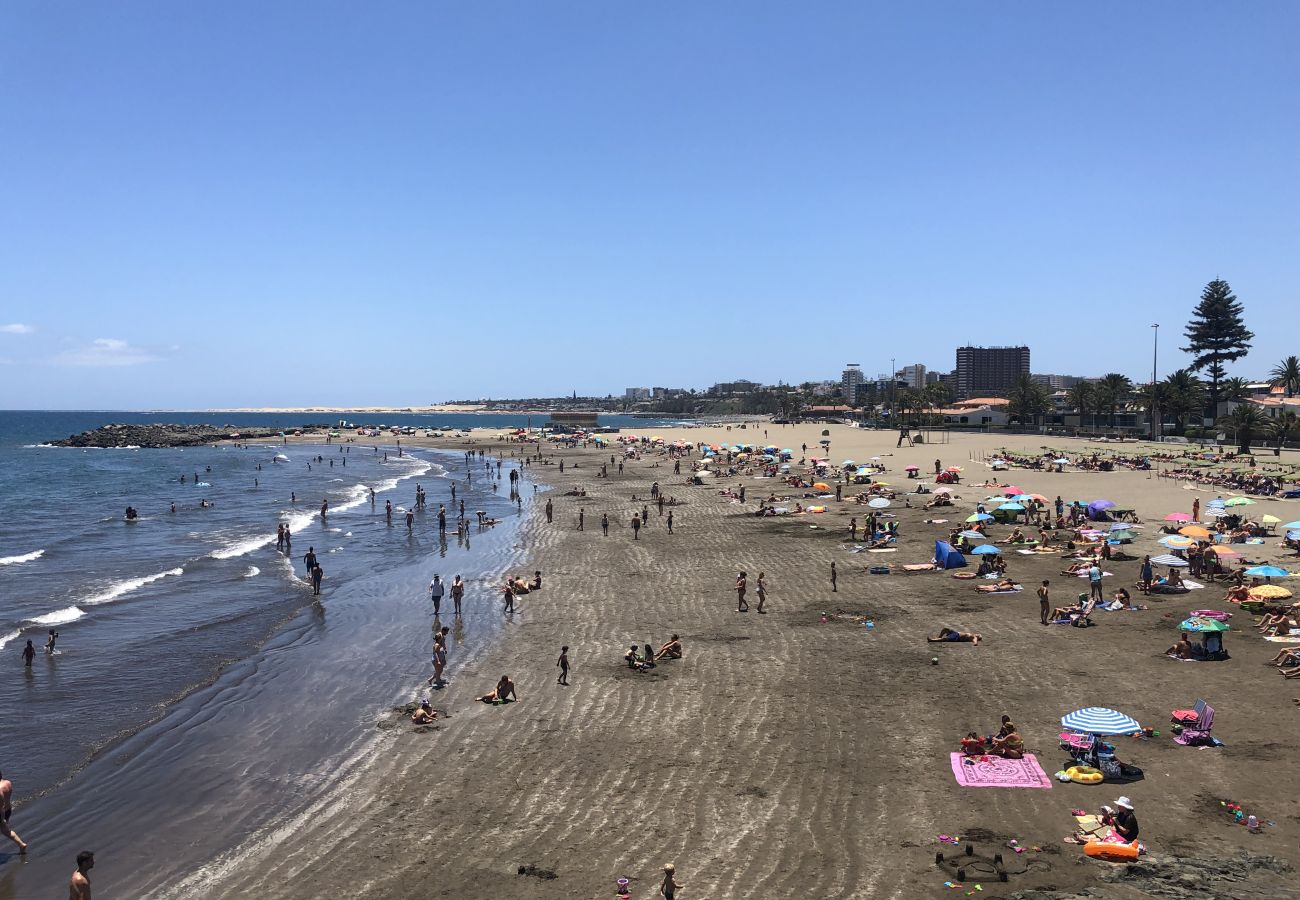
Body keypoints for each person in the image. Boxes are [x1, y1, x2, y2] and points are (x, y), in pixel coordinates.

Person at [0, 770, 28, 853]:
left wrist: (2, 819)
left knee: (5, 830)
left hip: (1, 813)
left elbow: (0, 805)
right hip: (8, 810)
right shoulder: (7, 783)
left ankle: (21, 844)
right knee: (4, 829)